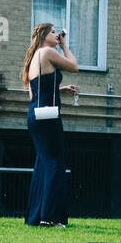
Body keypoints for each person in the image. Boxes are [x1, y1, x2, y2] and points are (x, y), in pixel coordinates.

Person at [22, 23, 78, 227]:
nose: (57, 35)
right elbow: (74, 66)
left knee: (43, 163)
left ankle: (37, 215)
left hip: (35, 114)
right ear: (44, 36)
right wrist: (64, 47)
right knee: (55, 162)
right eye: (54, 32)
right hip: (49, 116)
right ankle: (51, 217)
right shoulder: (48, 52)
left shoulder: (34, 56)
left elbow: (34, 92)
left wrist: (60, 88)